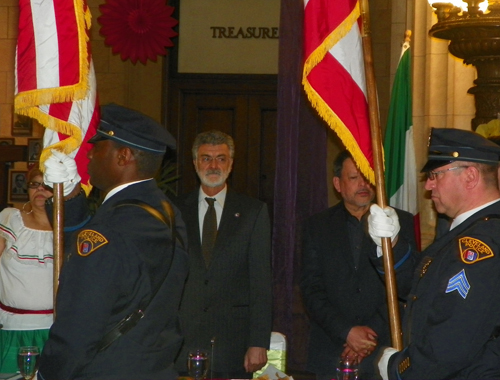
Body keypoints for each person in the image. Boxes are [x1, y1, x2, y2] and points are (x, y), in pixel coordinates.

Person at [37, 104, 189, 380]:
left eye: (98, 146)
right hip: (153, 368)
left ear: (124, 156)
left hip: (104, 370)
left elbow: (80, 325)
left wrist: (48, 373)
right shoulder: (166, 212)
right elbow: (108, 260)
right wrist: (70, 196)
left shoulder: (113, 227)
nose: (90, 154)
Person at [369, 128, 500, 379]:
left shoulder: (481, 244)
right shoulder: (468, 231)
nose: (429, 185)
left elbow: (453, 340)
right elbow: (424, 290)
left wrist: (399, 367)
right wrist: (390, 245)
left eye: (435, 175)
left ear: (470, 176)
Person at [300, 151, 417, 380]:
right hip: (331, 347)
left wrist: (367, 338)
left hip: (383, 349)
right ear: (337, 184)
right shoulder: (317, 226)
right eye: (354, 178)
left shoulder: (399, 221)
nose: (363, 184)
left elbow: (406, 286)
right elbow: (312, 290)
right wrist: (347, 332)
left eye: (367, 177)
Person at [174, 130, 272, 379]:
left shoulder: (253, 212)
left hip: (233, 344)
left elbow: (261, 282)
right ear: (195, 163)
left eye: (221, 158)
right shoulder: (173, 210)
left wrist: (258, 342)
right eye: (206, 158)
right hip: (180, 344)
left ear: (231, 163)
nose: (213, 165)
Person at [0, 165, 53, 373]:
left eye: (47, 185)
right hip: (14, 327)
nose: (40, 189)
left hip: (54, 328)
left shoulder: (67, 227)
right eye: (35, 184)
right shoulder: (10, 218)